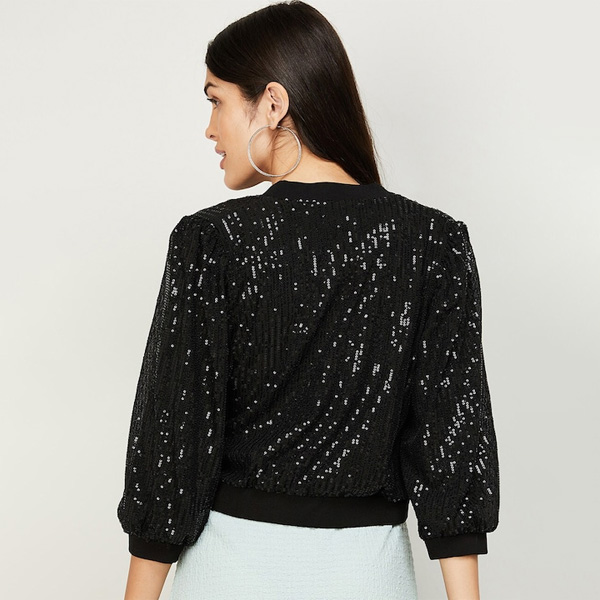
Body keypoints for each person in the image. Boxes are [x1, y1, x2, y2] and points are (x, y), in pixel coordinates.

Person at [117, 2, 500, 599]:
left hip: (229, 574)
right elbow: (450, 439)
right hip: (369, 576)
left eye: (216, 100)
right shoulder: (433, 243)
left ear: (272, 102)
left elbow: (173, 442)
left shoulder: (214, 241)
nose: (210, 129)